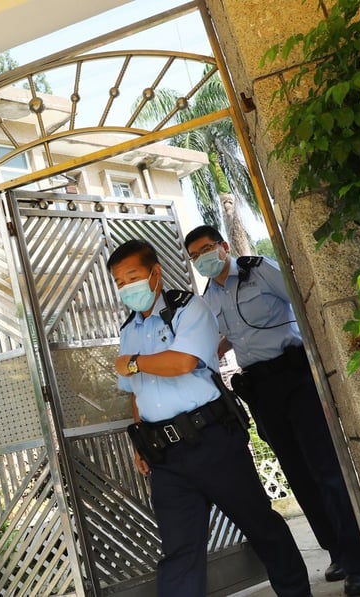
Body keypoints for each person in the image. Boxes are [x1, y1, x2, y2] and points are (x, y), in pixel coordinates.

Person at [108, 239, 312, 597]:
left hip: (212, 441)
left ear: (155, 273)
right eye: (120, 282)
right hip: (165, 456)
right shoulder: (128, 331)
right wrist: (140, 439)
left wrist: (135, 362)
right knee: (179, 553)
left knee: (260, 525)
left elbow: (184, 362)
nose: (127, 288)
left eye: (133, 277)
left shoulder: (190, 309)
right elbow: (135, 393)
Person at [183, 225, 360, 596]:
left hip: (296, 376)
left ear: (223, 247)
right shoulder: (209, 298)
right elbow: (225, 339)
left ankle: (359, 563)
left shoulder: (259, 269)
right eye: (194, 256)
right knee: (297, 473)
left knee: (326, 469)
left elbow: (303, 304)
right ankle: (335, 551)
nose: (201, 259)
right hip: (260, 387)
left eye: (206, 249)